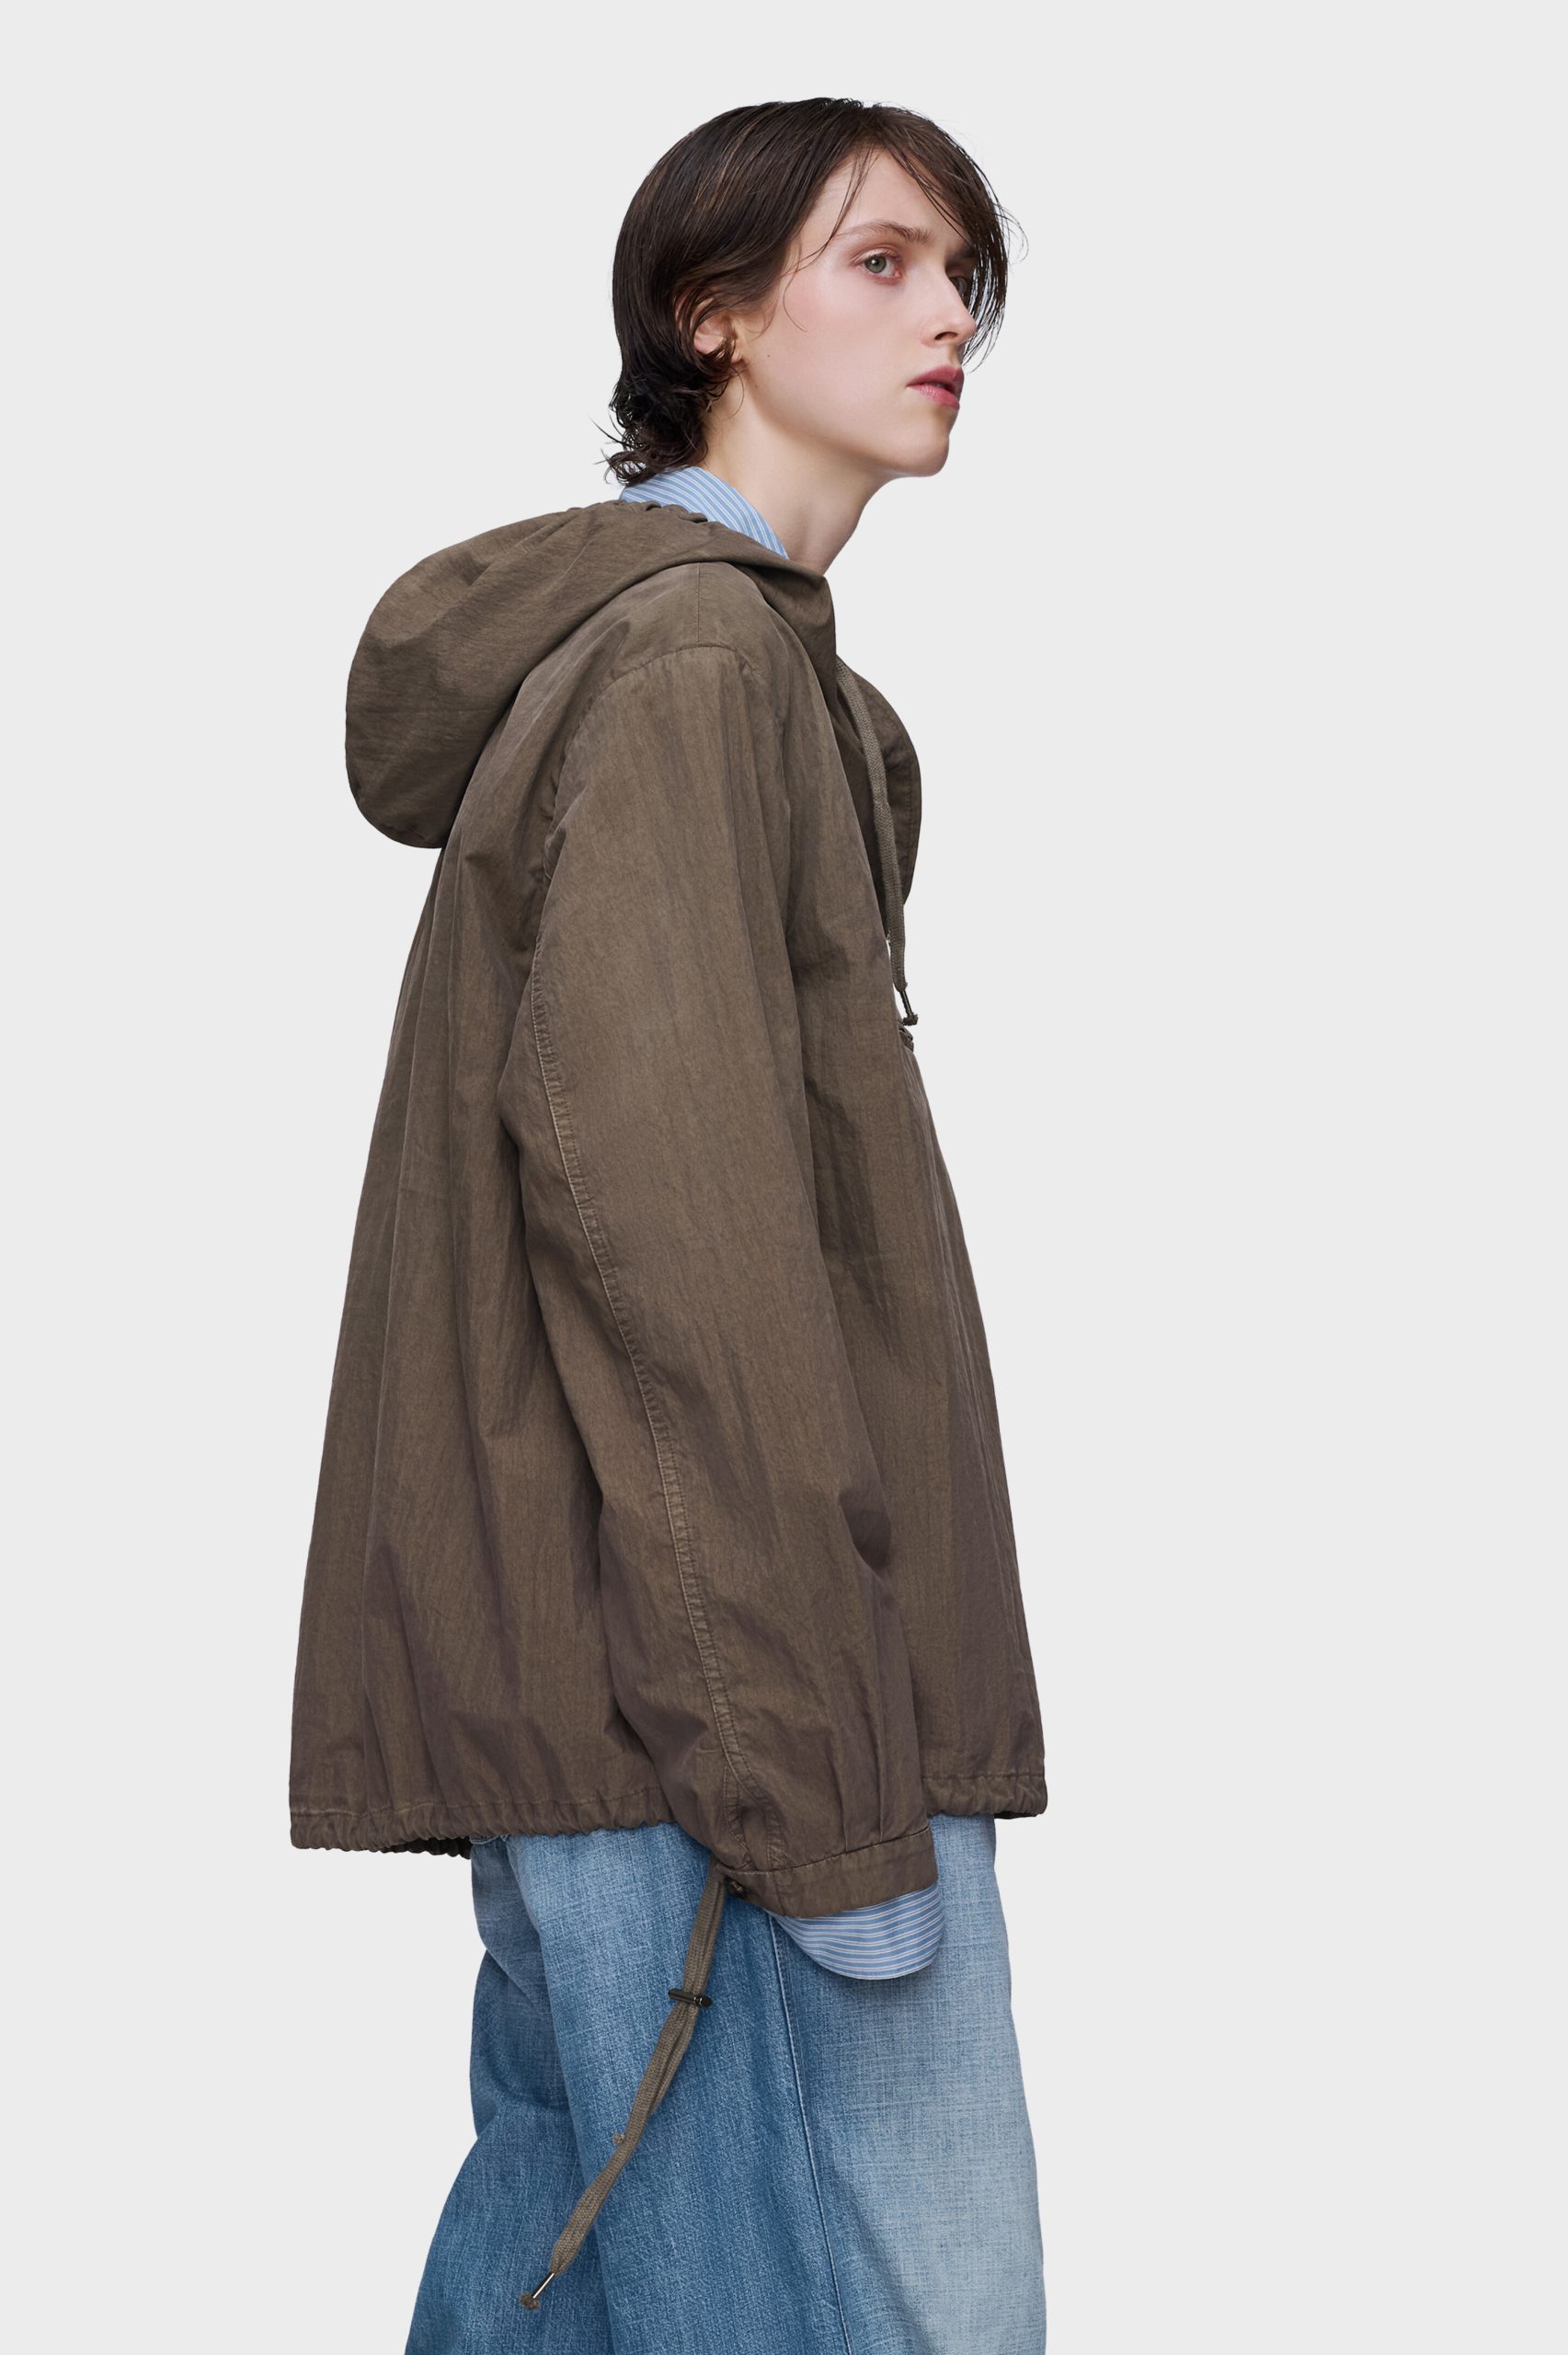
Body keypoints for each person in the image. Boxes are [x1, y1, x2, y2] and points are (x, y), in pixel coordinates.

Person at [289, 96, 1049, 2353]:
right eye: (881, 262)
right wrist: (810, 1781)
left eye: (961, 275)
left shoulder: (721, 669)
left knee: (560, 2283)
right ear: (711, 315)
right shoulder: (697, 672)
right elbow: (674, 1256)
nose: (946, 316)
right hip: (726, 1728)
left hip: (633, 1711)